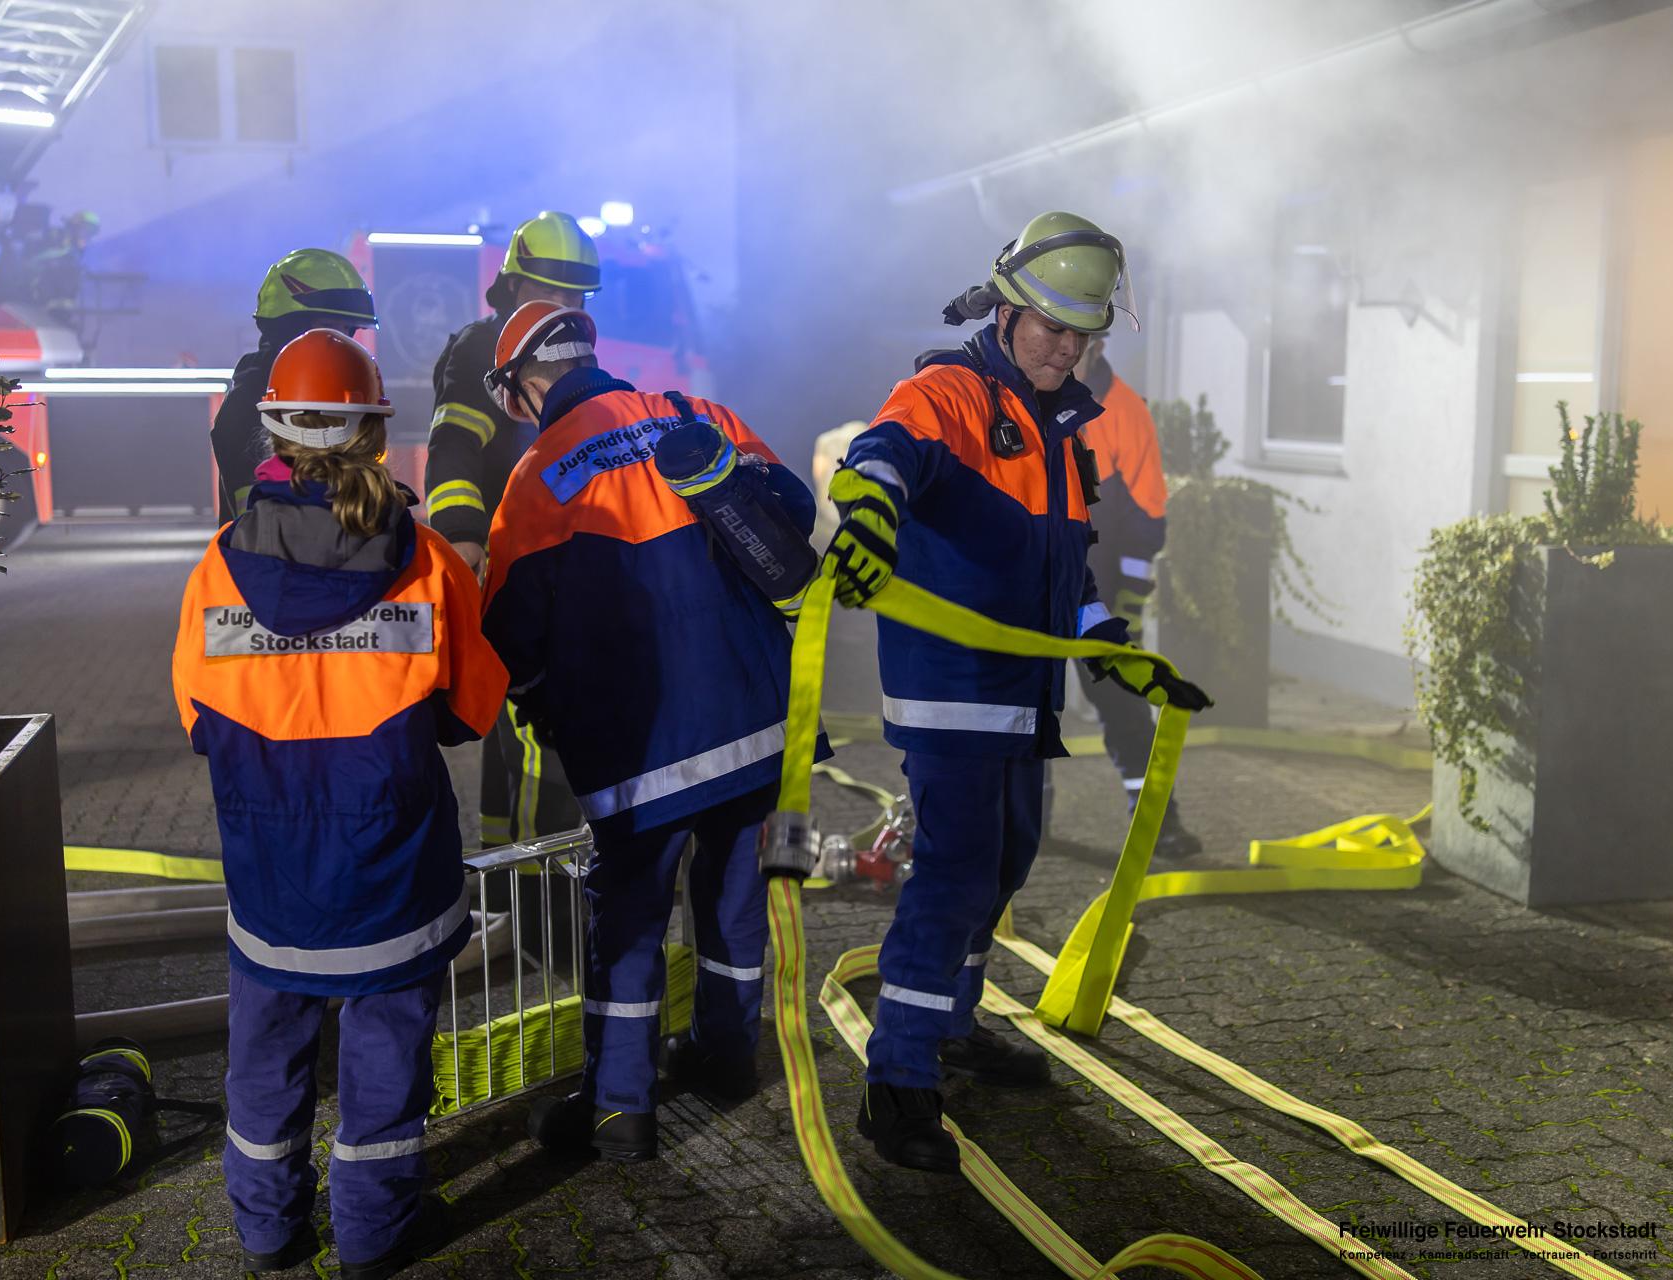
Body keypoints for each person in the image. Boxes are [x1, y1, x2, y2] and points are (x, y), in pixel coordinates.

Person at [825, 211, 1211, 1173]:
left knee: (1006, 865)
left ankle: (953, 1025)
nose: (1067, 346)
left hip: (1025, 697)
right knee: (955, 873)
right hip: (953, 690)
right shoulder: (948, 390)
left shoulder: (1061, 424)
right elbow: (884, 453)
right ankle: (899, 1081)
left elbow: (1065, 566)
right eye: (1050, 327)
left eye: (1083, 332)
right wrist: (868, 511)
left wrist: (1108, 645)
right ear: (1006, 310)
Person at [172, 330, 505, 1278]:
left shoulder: (219, 565)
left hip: (269, 876)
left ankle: (269, 1233)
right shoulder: (430, 562)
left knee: (263, 1062)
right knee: (385, 1068)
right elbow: (472, 711)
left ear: (273, 433)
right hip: (393, 871)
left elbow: (198, 718)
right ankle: (372, 1234)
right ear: (374, 437)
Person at [477, 301, 822, 1162]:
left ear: (525, 384)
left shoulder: (541, 472)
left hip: (644, 755)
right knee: (737, 902)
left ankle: (620, 1112)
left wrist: (544, 697)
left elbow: (508, 629)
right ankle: (729, 1058)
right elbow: (793, 513)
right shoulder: (698, 415)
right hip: (758, 728)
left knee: (628, 923)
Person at [424, 211, 602, 846]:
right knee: (530, 729)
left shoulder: (568, 346)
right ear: (513, 287)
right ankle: (529, 897)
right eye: (547, 292)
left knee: (525, 735)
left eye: (573, 296)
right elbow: (452, 446)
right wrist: (464, 534)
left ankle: (511, 887)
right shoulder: (481, 347)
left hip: (563, 557)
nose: (561, 306)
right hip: (509, 561)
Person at [1072, 336, 1203, 857]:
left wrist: (1127, 601)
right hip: (1028, 586)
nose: (1064, 348)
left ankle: (1156, 822)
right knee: (1020, 712)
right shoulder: (1020, 397)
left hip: (1098, 595)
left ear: (1100, 346)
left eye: (1078, 339)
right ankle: (1018, 828)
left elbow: (1149, 514)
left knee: (1124, 707)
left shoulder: (1125, 412)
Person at [211, 248, 379, 523]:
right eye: (327, 326)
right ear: (288, 327)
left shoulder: (339, 395)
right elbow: (261, 525)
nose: (340, 341)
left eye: (347, 330)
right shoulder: (250, 402)